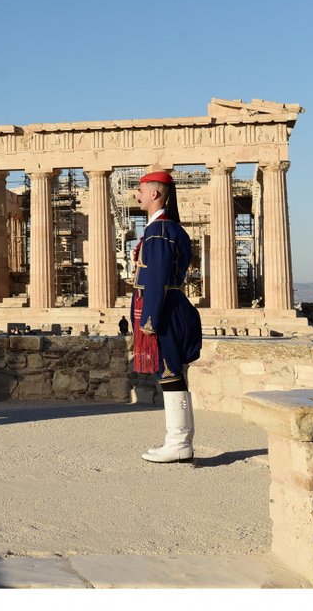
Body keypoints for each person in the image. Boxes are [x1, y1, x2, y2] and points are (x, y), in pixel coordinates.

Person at [131, 170, 203, 463]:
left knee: (170, 374)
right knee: (172, 374)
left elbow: (158, 276)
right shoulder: (171, 229)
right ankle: (179, 440)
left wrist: (148, 320)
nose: (136, 194)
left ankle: (178, 443)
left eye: (140, 189)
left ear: (155, 194)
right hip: (172, 305)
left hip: (163, 309)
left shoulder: (159, 231)